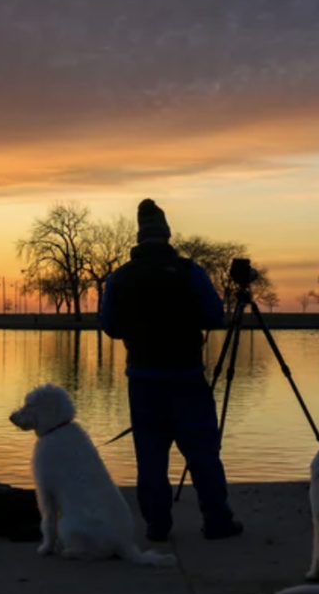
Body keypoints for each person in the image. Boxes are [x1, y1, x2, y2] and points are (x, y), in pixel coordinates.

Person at [99, 199, 243, 542]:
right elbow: (214, 317)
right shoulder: (190, 272)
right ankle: (217, 520)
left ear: (139, 235)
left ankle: (157, 525)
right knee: (202, 451)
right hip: (186, 376)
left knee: (150, 456)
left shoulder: (119, 277)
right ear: (167, 235)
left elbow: (110, 326)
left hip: (143, 379)